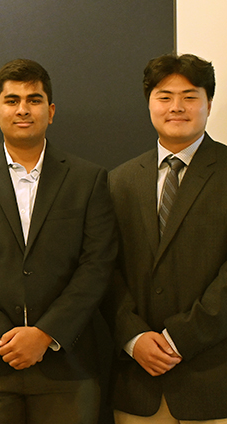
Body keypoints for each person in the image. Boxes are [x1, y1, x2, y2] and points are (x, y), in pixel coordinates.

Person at [0, 58, 116, 424]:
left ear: (51, 111)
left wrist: (46, 334)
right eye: (12, 101)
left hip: (67, 365)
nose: (23, 110)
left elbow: (97, 265)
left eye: (34, 100)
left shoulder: (87, 179)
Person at [106, 53, 227, 423]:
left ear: (209, 103)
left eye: (189, 97)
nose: (176, 107)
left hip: (214, 381)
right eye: (164, 96)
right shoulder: (119, 180)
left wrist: (179, 338)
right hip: (137, 383)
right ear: (149, 103)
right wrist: (133, 337)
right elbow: (102, 269)